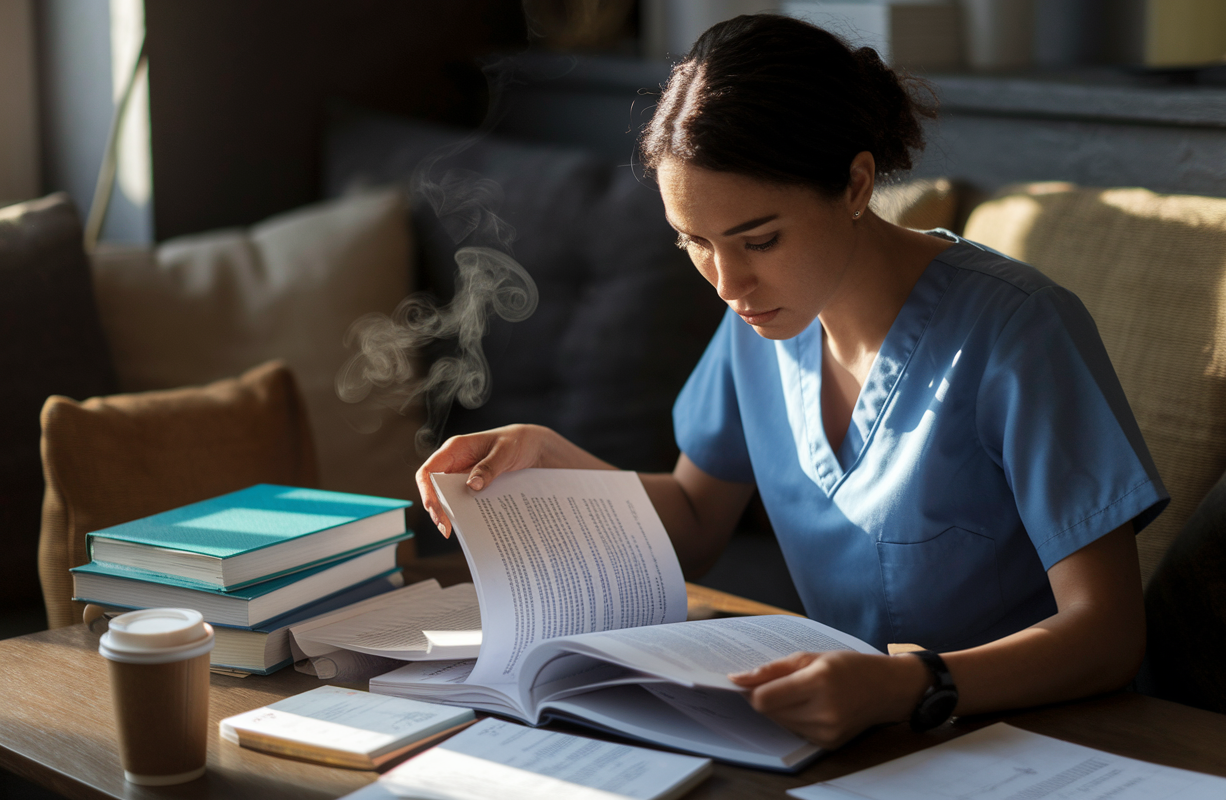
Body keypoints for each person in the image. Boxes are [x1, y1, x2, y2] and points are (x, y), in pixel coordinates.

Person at [416, 14, 1169, 749]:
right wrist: (554, 462)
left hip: (1040, 745)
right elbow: (696, 521)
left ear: (855, 184)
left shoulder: (1019, 331)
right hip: (843, 743)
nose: (727, 282)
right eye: (694, 243)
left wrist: (909, 686)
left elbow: (1106, 636)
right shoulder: (761, 322)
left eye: (760, 239)